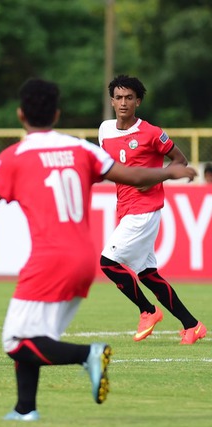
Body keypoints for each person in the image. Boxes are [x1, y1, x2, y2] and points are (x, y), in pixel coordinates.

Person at [0, 78, 197, 421]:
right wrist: (171, 171)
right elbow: (134, 176)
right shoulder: (80, 149)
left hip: (49, 261)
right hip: (82, 260)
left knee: (14, 341)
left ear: (20, 114)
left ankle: (90, 354)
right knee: (38, 335)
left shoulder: (15, 156)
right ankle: (26, 408)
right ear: (56, 113)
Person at [98, 75, 207, 345]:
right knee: (148, 274)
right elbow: (106, 166)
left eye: (129, 98)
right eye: (119, 97)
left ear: (138, 101)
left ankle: (148, 311)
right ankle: (192, 325)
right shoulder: (104, 130)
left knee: (107, 263)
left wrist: (155, 178)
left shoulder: (151, 133)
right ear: (112, 101)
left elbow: (179, 162)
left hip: (145, 209)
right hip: (124, 207)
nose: (124, 103)